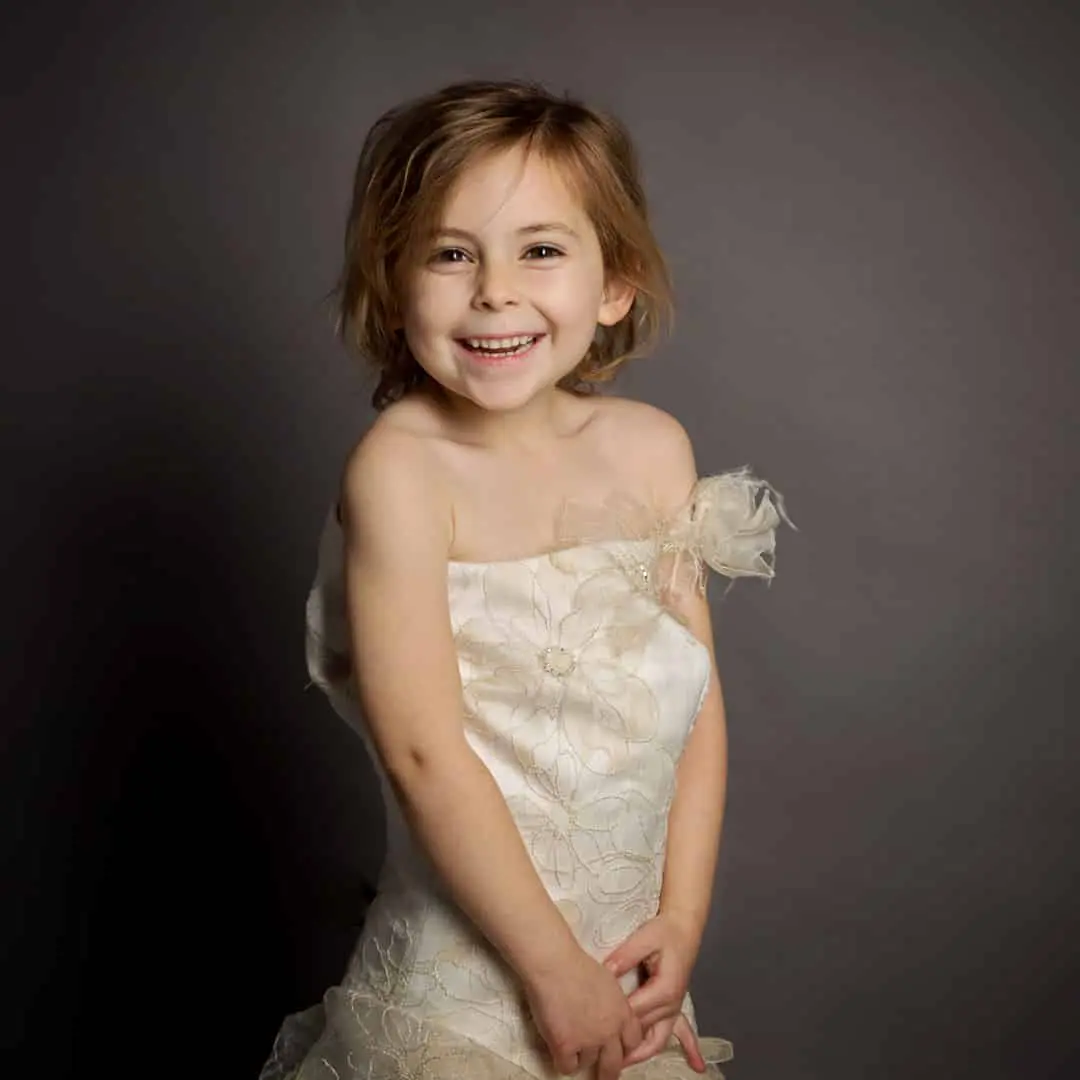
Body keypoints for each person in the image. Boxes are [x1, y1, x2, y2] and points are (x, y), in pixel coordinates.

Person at [260, 79, 792, 1080]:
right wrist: (554, 973)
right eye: (451, 254)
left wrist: (681, 921)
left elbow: (698, 712)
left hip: (627, 989)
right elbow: (423, 754)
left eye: (540, 250)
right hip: (464, 1003)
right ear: (395, 281)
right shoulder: (403, 471)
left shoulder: (654, 451)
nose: (495, 291)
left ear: (614, 283)